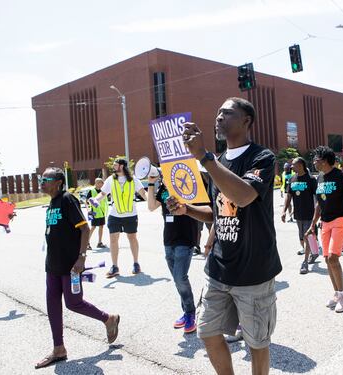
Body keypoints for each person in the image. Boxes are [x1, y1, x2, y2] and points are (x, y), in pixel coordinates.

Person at [166, 97, 282, 375]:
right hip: (219, 268)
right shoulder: (217, 162)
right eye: (218, 113)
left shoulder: (261, 158)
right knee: (207, 332)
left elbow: (242, 197)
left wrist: (205, 158)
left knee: (257, 343)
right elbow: (219, 212)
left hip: (254, 270)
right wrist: (186, 209)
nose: (219, 117)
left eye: (227, 113)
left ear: (246, 121)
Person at [35, 167, 120, 369]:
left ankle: (108, 319)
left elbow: (84, 228)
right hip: (52, 266)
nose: (41, 182)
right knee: (52, 305)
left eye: (45, 179)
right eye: (41, 178)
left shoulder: (66, 199)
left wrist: (81, 258)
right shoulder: (52, 202)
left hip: (70, 265)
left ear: (57, 182)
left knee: (73, 303)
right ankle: (59, 348)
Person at [308, 145, 343, 313]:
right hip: (325, 222)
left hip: (341, 219)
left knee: (332, 257)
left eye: (316, 159)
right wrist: (312, 225)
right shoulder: (319, 178)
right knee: (327, 259)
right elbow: (319, 204)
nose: (314, 162)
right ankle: (337, 294)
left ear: (324, 160)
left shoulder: (341, 175)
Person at [146, 174, 198, 334]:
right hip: (168, 239)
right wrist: (150, 184)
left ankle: (190, 313)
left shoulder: (187, 184)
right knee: (178, 280)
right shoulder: (163, 188)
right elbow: (151, 206)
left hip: (185, 238)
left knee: (180, 277)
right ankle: (186, 311)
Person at [90, 158, 148, 278]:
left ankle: (136, 263)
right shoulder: (110, 180)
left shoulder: (133, 180)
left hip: (130, 215)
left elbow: (143, 193)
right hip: (114, 215)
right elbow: (103, 193)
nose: (113, 167)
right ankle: (115, 266)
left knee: (132, 238)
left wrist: (152, 201)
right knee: (113, 240)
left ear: (122, 166)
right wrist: (96, 200)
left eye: (115, 165)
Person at [282, 157, 317, 274]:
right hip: (298, 214)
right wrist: (284, 210)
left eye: (294, 165)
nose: (292, 167)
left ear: (301, 165)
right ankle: (314, 251)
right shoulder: (292, 179)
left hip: (310, 214)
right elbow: (289, 196)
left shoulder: (311, 179)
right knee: (302, 237)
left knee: (307, 237)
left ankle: (305, 262)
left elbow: (317, 197)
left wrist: (319, 214)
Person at [85, 178, 108, 250]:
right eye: (101, 183)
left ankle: (99, 242)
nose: (102, 184)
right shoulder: (91, 191)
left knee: (101, 226)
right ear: (97, 183)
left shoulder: (103, 191)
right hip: (93, 212)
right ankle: (86, 243)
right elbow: (86, 202)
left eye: (102, 183)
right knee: (93, 227)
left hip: (101, 212)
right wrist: (88, 210)